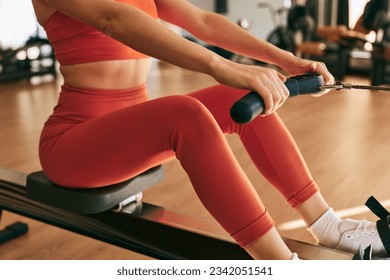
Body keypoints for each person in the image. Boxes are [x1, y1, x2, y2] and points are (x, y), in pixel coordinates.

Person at [31, 0, 387, 260]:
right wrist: (220, 66)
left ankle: (331, 228)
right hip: (73, 144)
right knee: (184, 113)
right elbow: (113, 19)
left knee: (236, 95)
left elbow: (203, 21)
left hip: (131, 133)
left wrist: (284, 59)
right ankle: (280, 266)